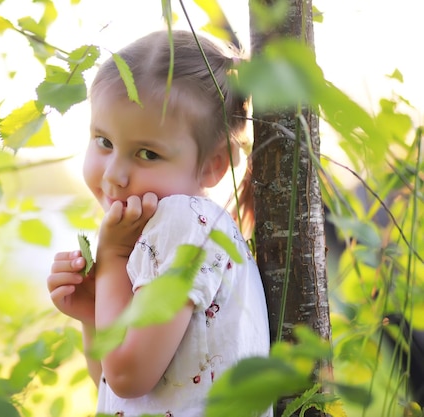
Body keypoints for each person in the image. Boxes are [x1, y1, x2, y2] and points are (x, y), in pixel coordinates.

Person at [47, 30, 271, 417]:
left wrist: (112, 258)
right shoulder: (180, 232)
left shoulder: (183, 223)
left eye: (147, 153)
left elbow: (128, 375)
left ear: (213, 165)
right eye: (103, 142)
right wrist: (92, 312)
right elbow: (113, 388)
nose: (114, 174)